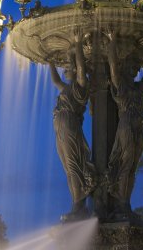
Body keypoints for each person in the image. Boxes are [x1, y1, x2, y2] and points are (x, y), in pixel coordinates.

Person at [106, 30, 143, 220]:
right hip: (127, 125)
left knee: (132, 167)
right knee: (125, 164)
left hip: (140, 125)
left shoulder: (138, 88)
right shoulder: (121, 86)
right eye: (131, 66)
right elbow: (112, 66)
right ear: (124, 68)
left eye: (136, 68)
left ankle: (125, 203)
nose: (135, 70)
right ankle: (119, 204)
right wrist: (112, 41)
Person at [49, 31, 96, 221]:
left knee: (74, 166)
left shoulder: (81, 86)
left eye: (72, 67)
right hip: (61, 128)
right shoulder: (67, 88)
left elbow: (82, 70)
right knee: (69, 168)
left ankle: (80, 206)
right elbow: (55, 80)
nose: (67, 68)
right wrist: (49, 60)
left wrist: (77, 44)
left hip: (69, 126)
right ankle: (77, 205)